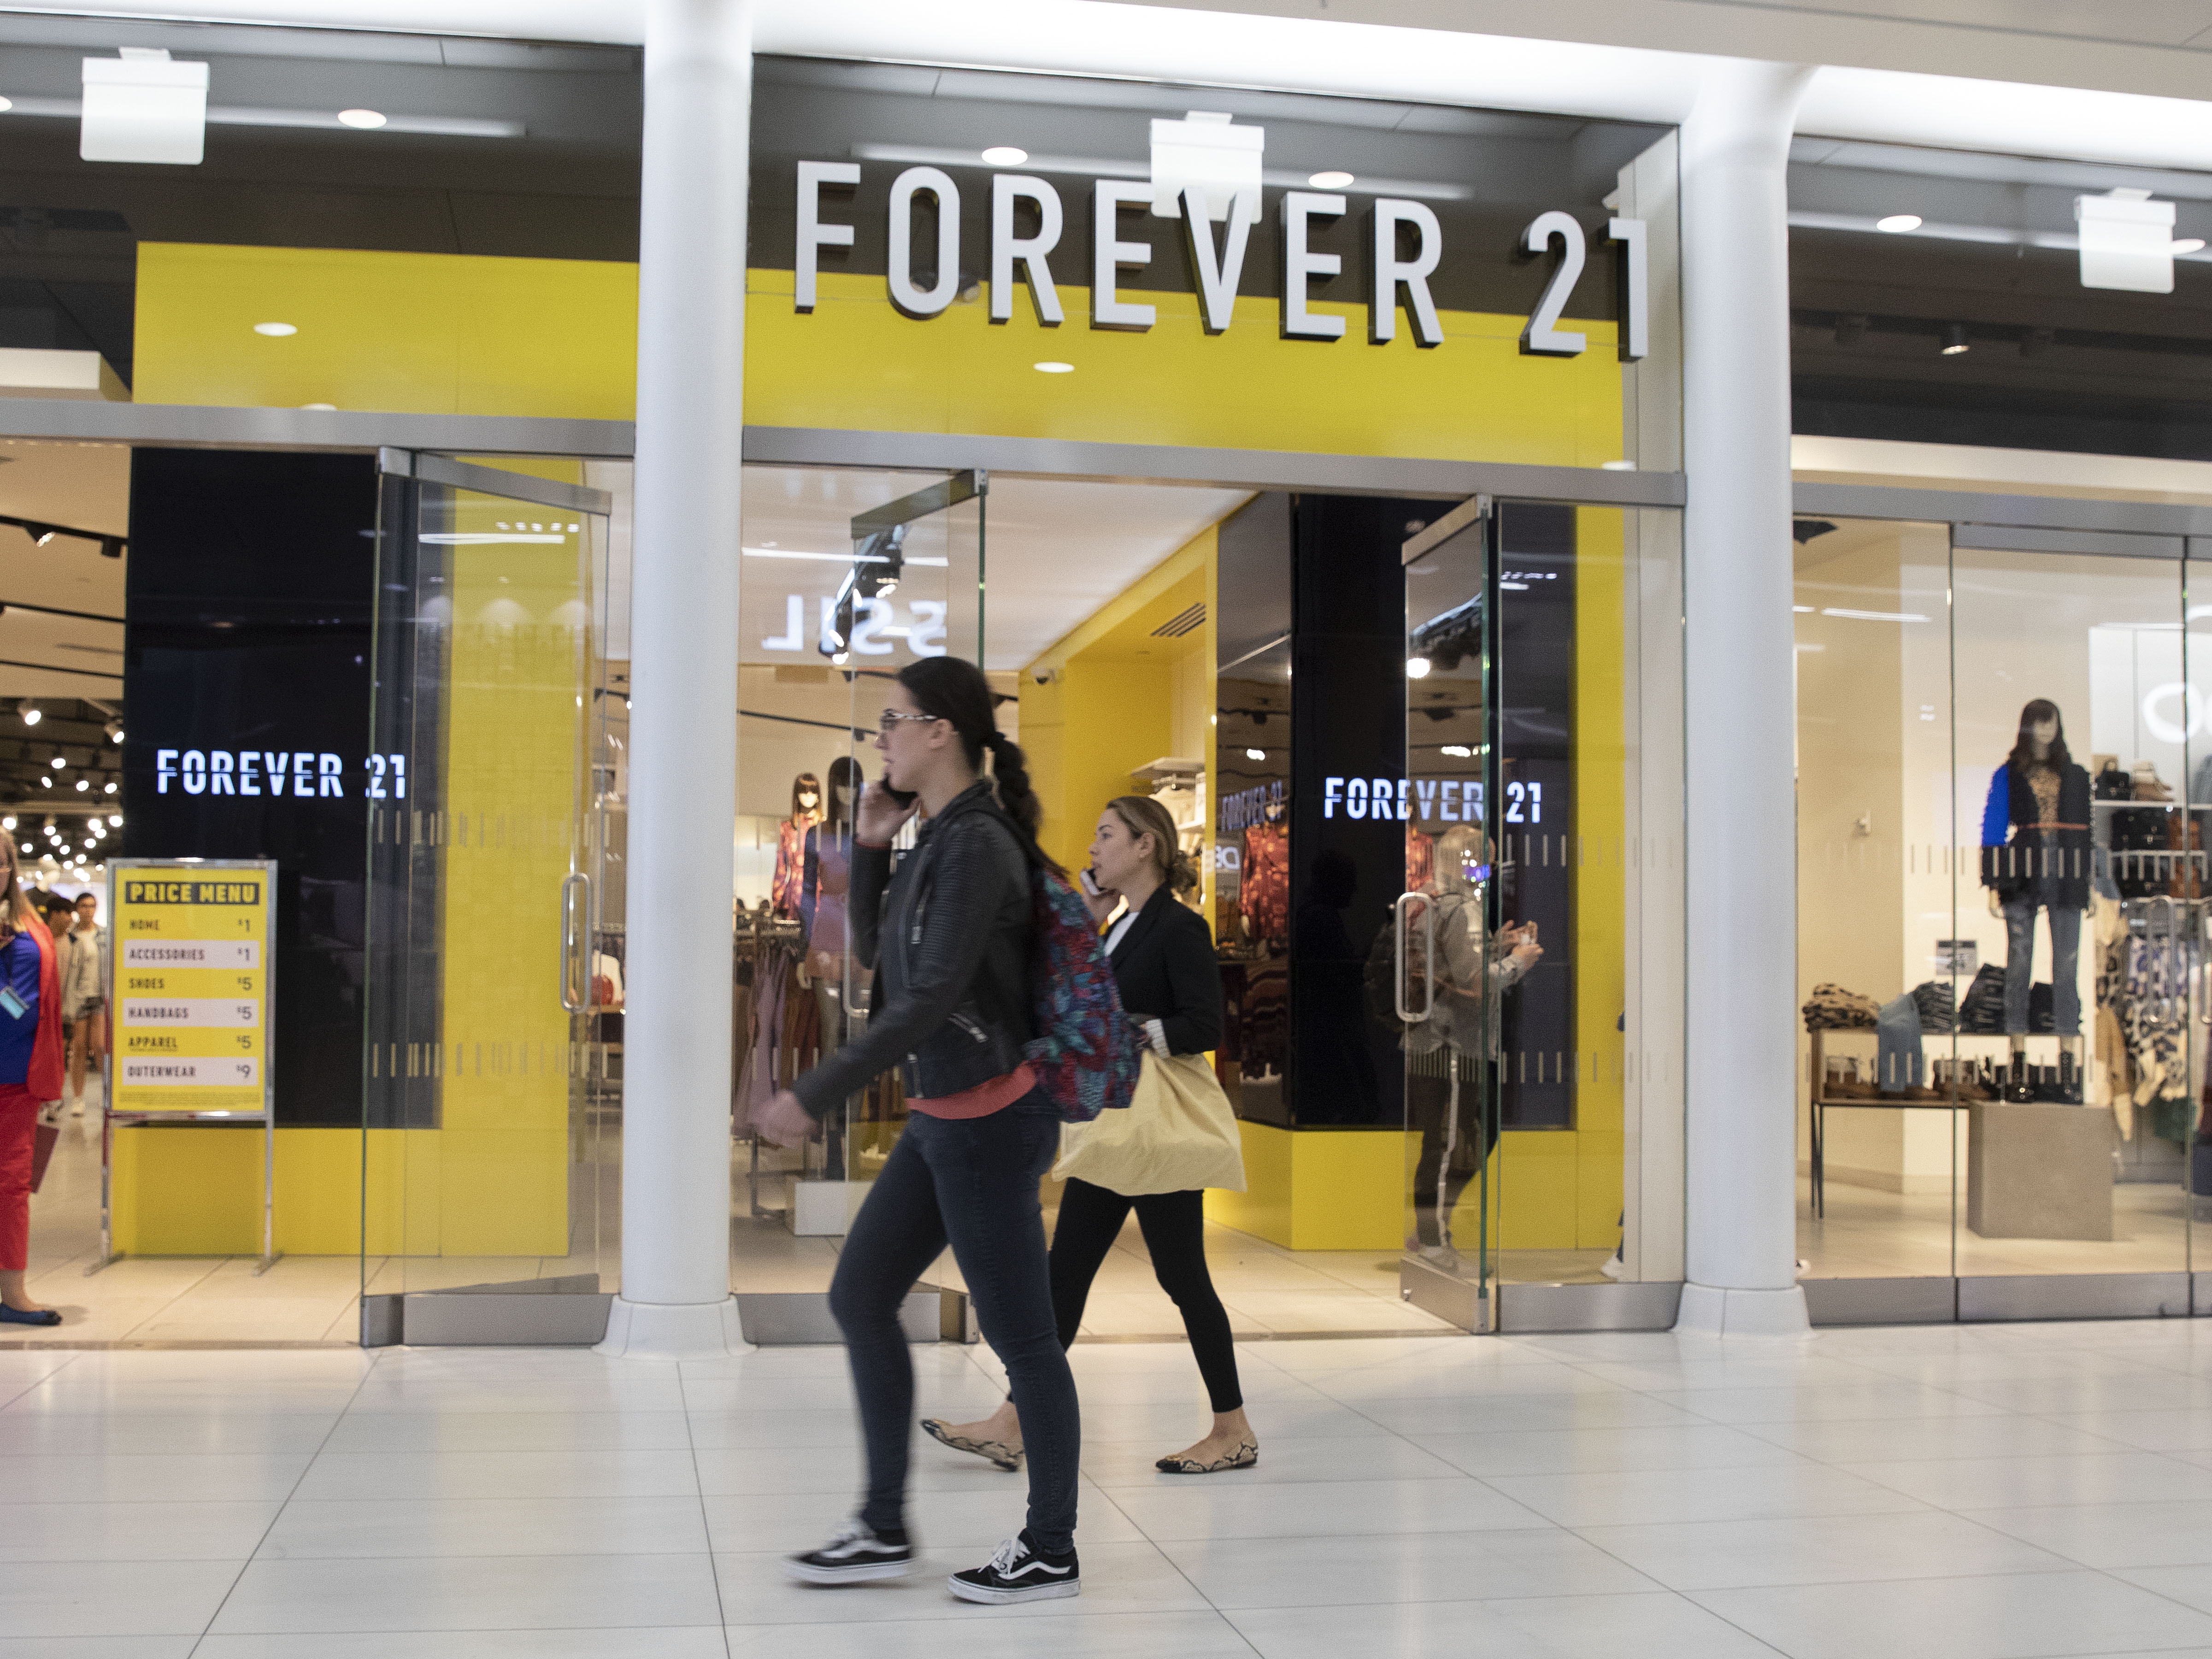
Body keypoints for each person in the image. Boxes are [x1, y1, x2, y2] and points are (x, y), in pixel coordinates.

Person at [754, 655, 1083, 1607]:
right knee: (862, 1297)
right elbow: (881, 967)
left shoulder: (977, 843)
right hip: (945, 1119)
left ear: (941, 732)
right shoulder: (940, 836)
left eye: (893, 720)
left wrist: (816, 1092)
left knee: (1024, 1342)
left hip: (989, 1124)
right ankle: (885, 1526)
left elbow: (932, 997)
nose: (881, 737)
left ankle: (1050, 1548)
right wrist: (868, 850)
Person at [923, 794, 1257, 1475]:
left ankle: (1232, 1429)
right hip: (1117, 1134)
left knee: (1181, 1278)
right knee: (1067, 1276)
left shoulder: (1180, 927)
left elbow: (1205, 1025)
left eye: (1107, 835)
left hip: (1151, 1136)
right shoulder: (1119, 925)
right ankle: (1014, 1423)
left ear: (1145, 845)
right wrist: (1089, 922)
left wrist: (1137, 1029)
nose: (1094, 847)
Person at [0, 840, 64, 1326]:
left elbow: (16, 1011)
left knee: (11, 1187)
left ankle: (13, 1291)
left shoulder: (25, 935)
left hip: (13, 1084)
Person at [61, 892, 105, 1118]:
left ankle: (107, 1095)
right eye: (84, 906)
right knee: (78, 1048)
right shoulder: (70, 936)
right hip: (77, 997)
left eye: (92, 906)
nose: (88, 910)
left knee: (100, 1046)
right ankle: (78, 1098)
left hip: (99, 996)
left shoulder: (104, 935)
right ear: (77, 909)